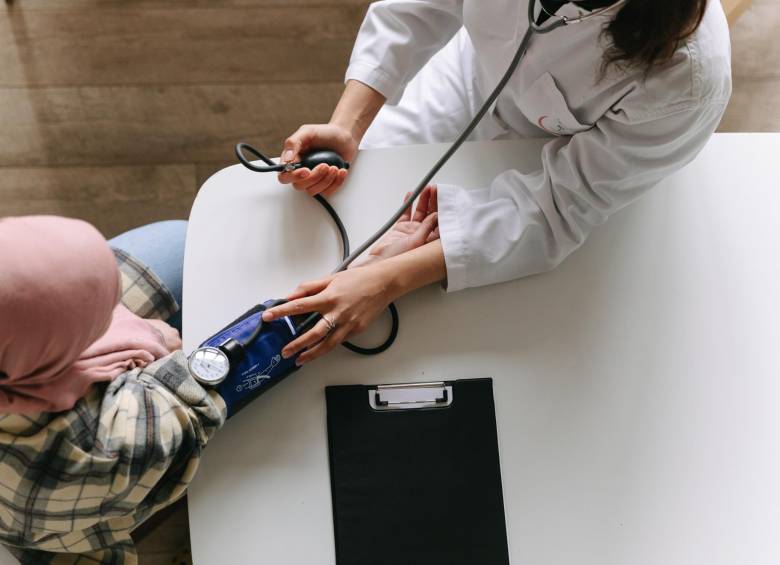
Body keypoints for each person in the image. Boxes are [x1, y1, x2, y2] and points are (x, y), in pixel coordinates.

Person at [263, 0, 732, 364]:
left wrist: (386, 281)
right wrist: (349, 125)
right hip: (467, 79)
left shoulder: (686, 78)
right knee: (333, 222)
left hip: (568, 155)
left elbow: (559, 208)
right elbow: (417, 8)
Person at [0, 216, 225, 563]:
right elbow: (186, 417)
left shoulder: (16, 359)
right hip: (50, 516)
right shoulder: (81, 450)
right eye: (104, 318)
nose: (116, 309)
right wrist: (162, 347)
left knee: (186, 238)